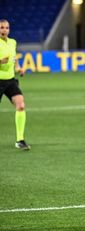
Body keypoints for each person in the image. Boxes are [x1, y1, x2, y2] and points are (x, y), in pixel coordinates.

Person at [0, 19, 29, 150]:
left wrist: (19, 68)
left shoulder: (12, 42)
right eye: (1, 27)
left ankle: (20, 140)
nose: (4, 30)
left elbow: (14, 58)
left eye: (6, 28)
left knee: (21, 105)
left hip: (10, 80)